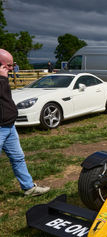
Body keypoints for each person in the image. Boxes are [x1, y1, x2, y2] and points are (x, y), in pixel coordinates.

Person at [0, 49, 50, 196]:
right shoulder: (2, 78)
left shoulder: (3, 77)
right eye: (8, 65)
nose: (11, 68)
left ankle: (28, 188)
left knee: (18, 157)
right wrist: (2, 79)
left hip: (9, 126)